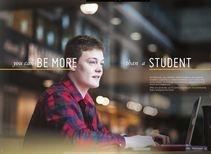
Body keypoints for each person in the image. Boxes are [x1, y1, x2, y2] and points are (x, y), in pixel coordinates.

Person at [24, 35, 170, 152]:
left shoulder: (87, 101)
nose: (100, 69)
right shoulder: (57, 96)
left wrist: (142, 140)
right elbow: (78, 140)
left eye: (101, 63)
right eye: (92, 62)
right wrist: (129, 142)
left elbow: (102, 137)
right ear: (72, 64)